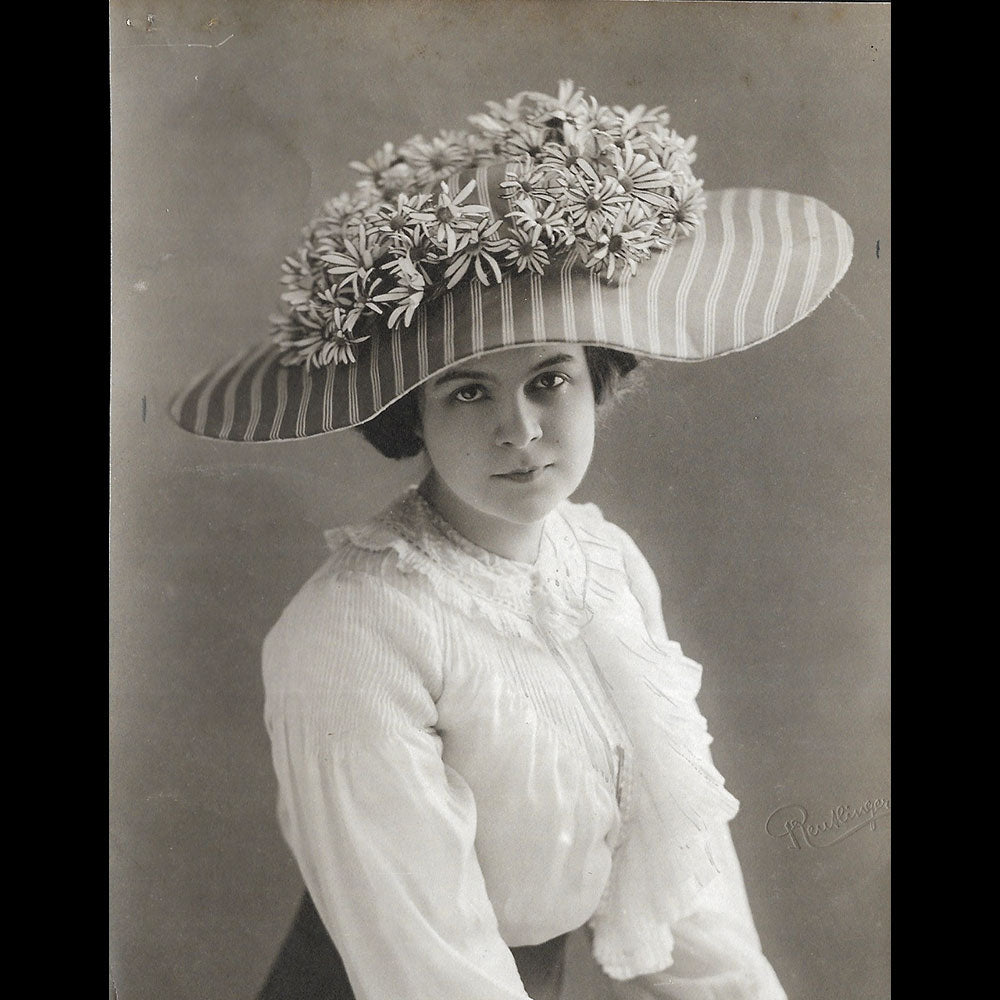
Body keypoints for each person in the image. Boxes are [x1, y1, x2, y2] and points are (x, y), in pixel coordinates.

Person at [171, 82, 853, 999]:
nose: (522, 431)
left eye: (550, 379)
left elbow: (681, 861)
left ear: (598, 375)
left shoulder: (601, 564)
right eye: (467, 391)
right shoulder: (354, 632)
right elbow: (429, 966)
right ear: (409, 414)